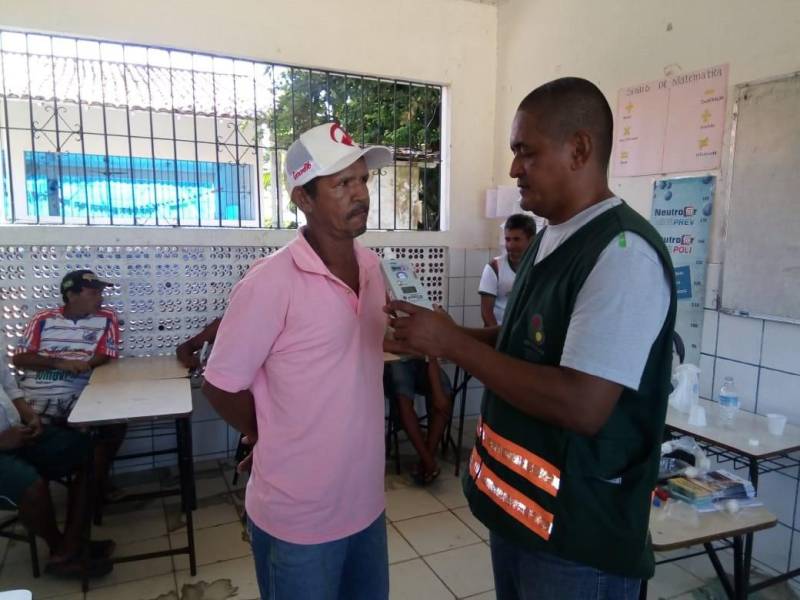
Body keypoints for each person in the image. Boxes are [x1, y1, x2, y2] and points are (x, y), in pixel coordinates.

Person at [388, 77, 677, 600]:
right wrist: (448, 334)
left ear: (579, 149)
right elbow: (522, 340)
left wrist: (455, 347)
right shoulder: (551, 236)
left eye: (526, 152)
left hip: (579, 537)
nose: (514, 169)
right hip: (525, 516)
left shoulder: (622, 254)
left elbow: (582, 403)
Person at [202, 122, 393, 600]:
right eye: (341, 183)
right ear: (303, 200)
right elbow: (220, 386)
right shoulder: (269, 283)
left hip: (366, 503)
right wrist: (271, 433)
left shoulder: (373, 267)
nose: (359, 194)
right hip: (298, 519)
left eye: (362, 179)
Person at [13, 269, 125, 504]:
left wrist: (84, 364)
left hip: (77, 395)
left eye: (100, 292)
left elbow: (106, 354)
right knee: (36, 435)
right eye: (94, 292)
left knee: (114, 426)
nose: (100, 297)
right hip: (35, 398)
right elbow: (20, 358)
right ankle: (84, 487)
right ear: (72, 295)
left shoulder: (107, 318)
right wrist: (59, 363)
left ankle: (94, 485)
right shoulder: (43, 319)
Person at [0, 357, 114, 578]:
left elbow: (7, 384)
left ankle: (71, 544)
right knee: (31, 486)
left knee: (93, 451)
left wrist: (30, 416)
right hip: (4, 442)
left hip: (16, 432)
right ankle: (62, 551)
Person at [384, 357, 452, 484]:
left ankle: (426, 461)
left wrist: (438, 392)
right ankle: (429, 462)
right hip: (393, 360)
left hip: (421, 359)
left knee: (444, 389)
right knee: (402, 390)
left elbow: (431, 352)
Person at [479, 213, 537, 326]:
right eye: (507, 239)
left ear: (531, 240)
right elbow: (486, 313)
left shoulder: (539, 267)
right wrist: (498, 337)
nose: (510, 245)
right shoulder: (494, 267)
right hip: (498, 331)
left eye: (516, 239)